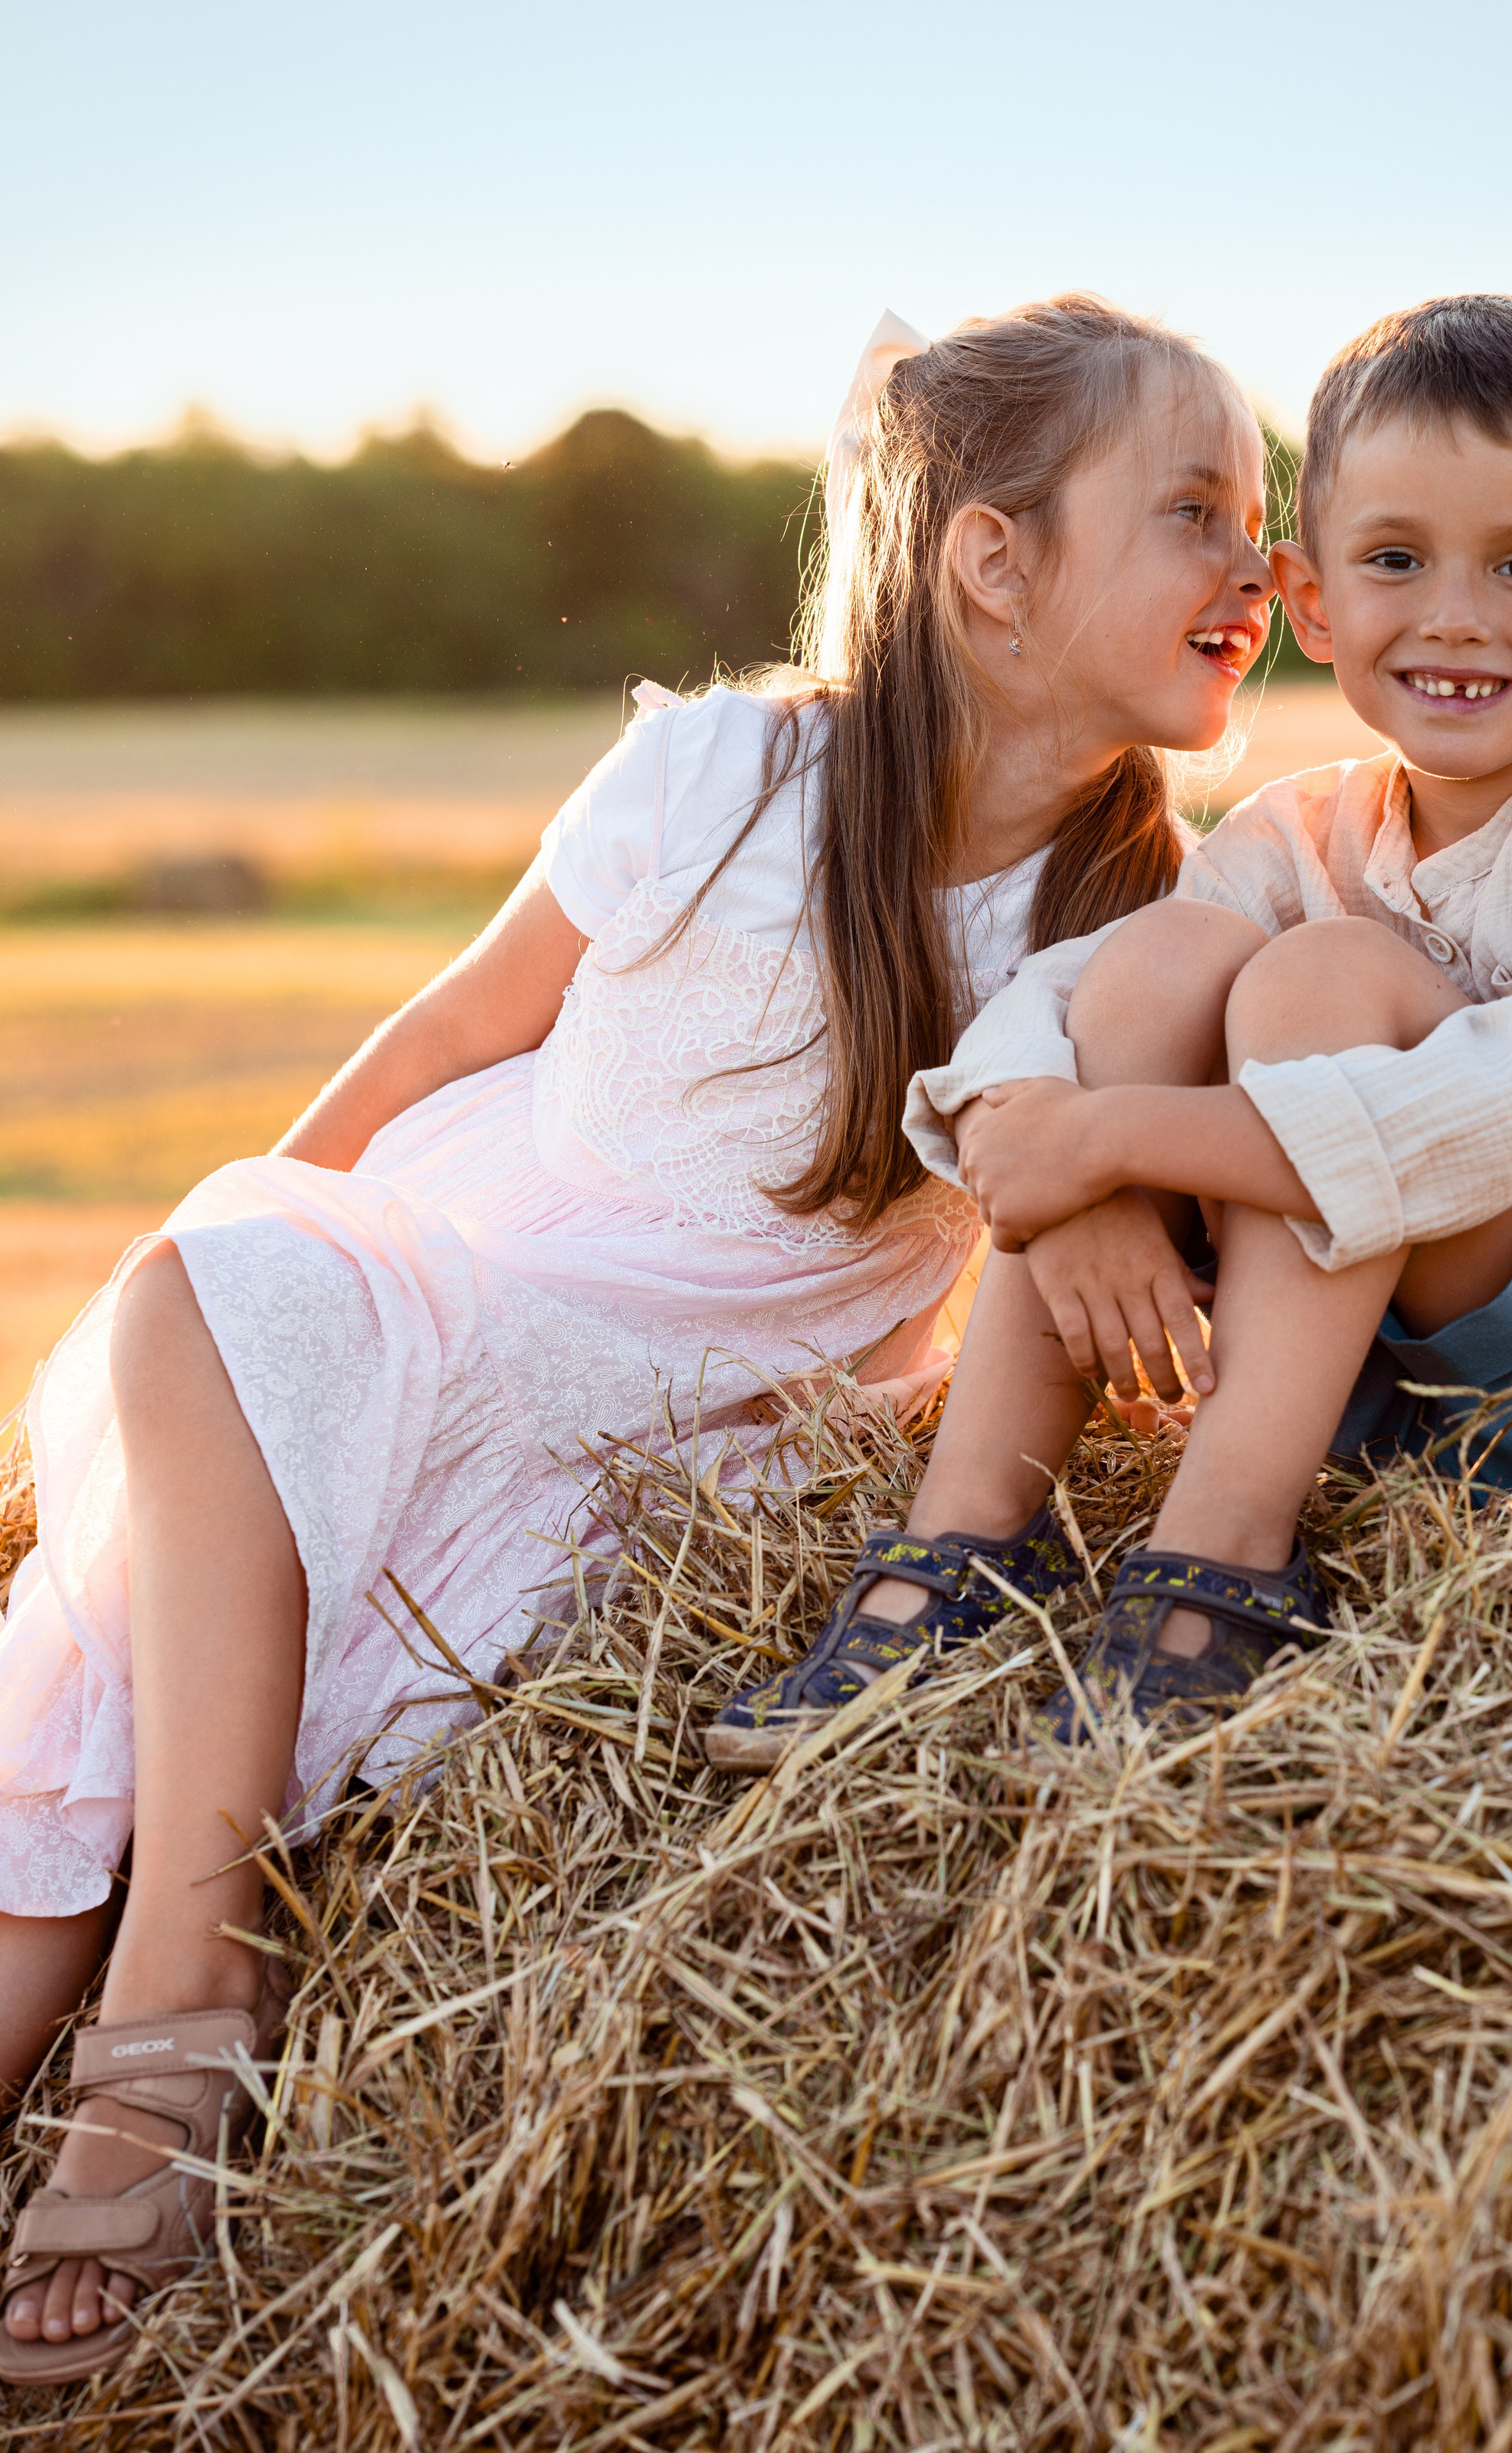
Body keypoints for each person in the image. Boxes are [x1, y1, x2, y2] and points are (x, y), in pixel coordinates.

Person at [0, 294, 1275, 2376]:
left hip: (688, 1430)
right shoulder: (721, 774)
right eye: (1199, 512)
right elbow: (447, 1036)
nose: (1260, 566)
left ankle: (184, 2000)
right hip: (449, 1284)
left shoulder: (1148, 913)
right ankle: (158, 1985)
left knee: (150, 1660)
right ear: (994, 561)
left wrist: (1109, 1181)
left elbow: (1114, 1210)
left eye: (1263, 518)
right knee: (87, 1645)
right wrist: (214, 1284)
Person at [710, 293, 1512, 1771]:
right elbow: (1062, 999)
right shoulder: (1310, 826)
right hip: (1402, 1391)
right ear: (1312, 594)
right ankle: (968, 1537)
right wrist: (1064, 1167)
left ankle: (1225, 1555)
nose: (1454, 615)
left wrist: (1107, 1138)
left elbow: (1486, 1119)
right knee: (1169, 962)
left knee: (1322, 982)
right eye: (1396, 559)